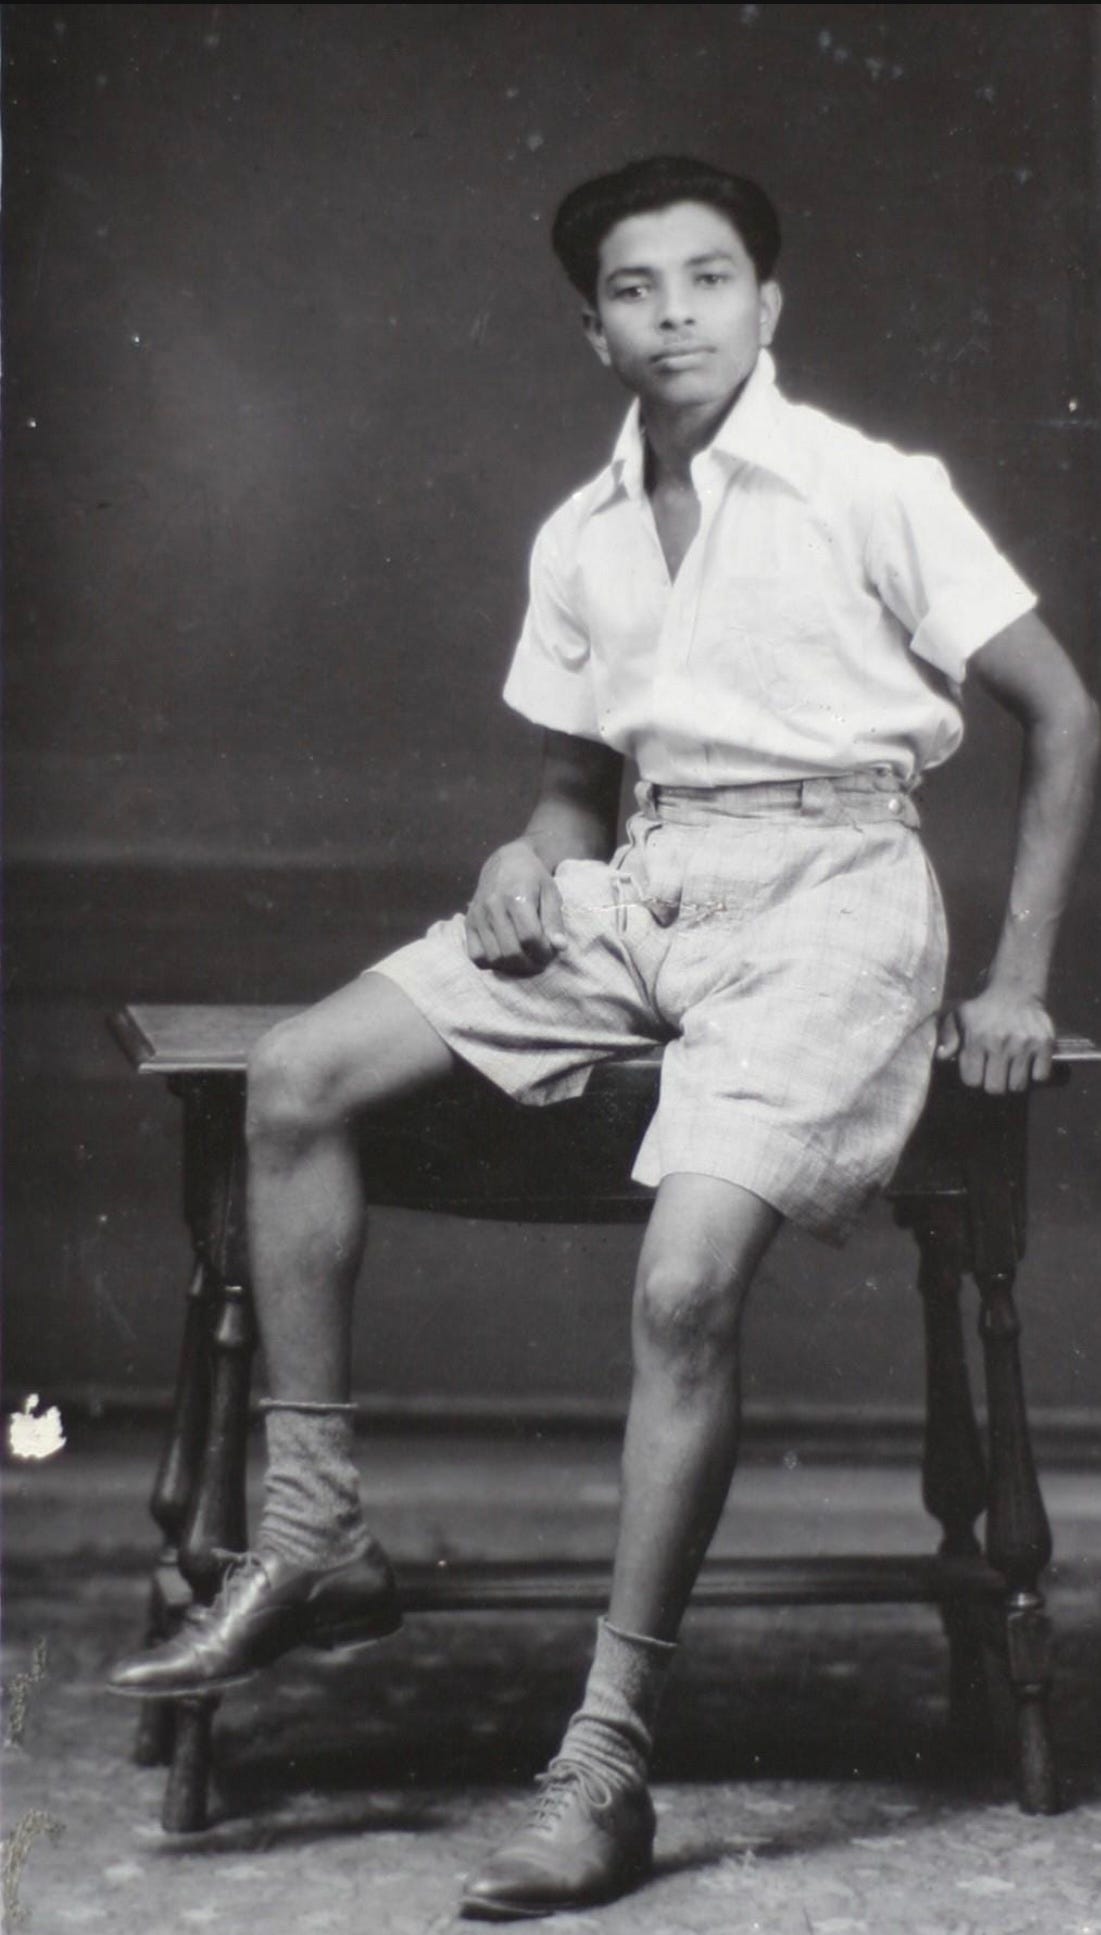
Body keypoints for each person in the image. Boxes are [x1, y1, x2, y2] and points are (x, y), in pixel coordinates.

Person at [108, 156, 1099, 1918]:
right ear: (593, 329)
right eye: (636, 290)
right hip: (642, 887)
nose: (675, 315)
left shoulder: (869, 486)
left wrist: (1015, 979)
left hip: (834, 901)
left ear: (767, 304)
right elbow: (575, 789)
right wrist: (523, 859)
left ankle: (603, 1761)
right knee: (296, 1075)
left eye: (709, 279)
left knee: (683, 1283)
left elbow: (1063, 714)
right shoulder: (579, 533)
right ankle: (319, 1529)